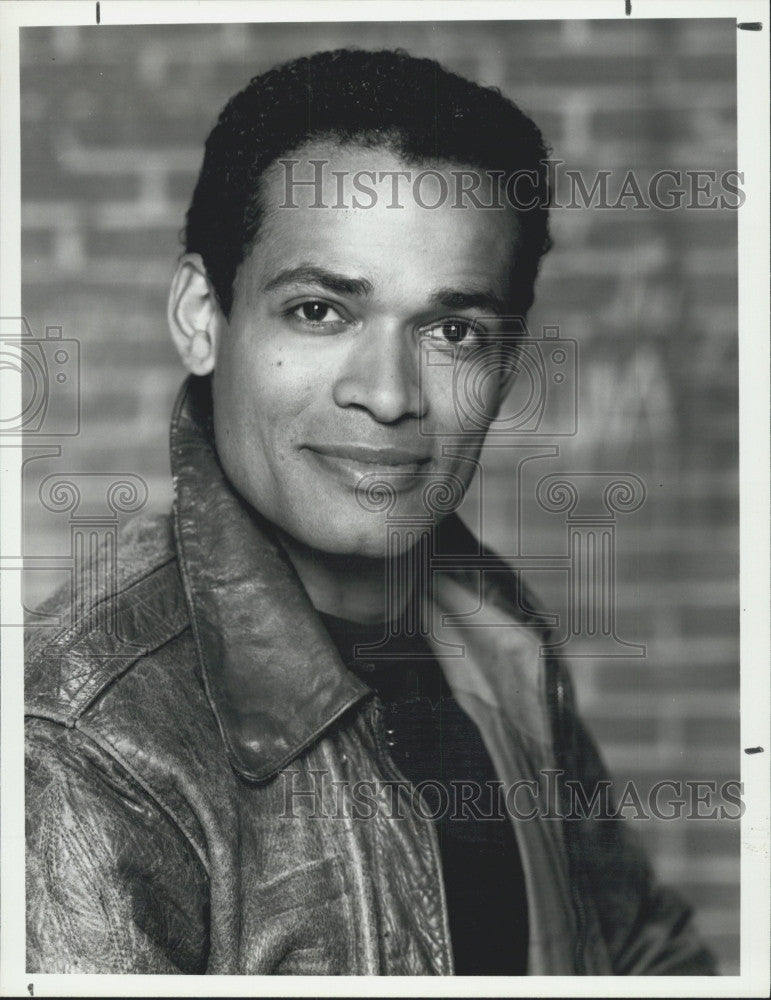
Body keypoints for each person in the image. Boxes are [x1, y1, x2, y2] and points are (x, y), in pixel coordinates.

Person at [25, 48, 716, 976]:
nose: (389, 396)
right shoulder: (78, 741)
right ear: (202, 316)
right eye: (320, 311)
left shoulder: (493, 622)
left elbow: (637, 952)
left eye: (453, 331)